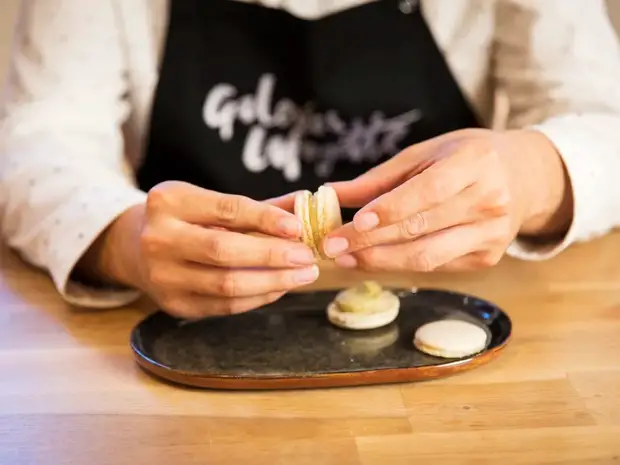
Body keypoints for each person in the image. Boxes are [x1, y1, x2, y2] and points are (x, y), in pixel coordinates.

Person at [1, 0, 620, 319]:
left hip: (443, 320)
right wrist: (122, 241)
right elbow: (37, 138)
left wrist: (530, 174)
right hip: (182, 334)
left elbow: (606, 122)